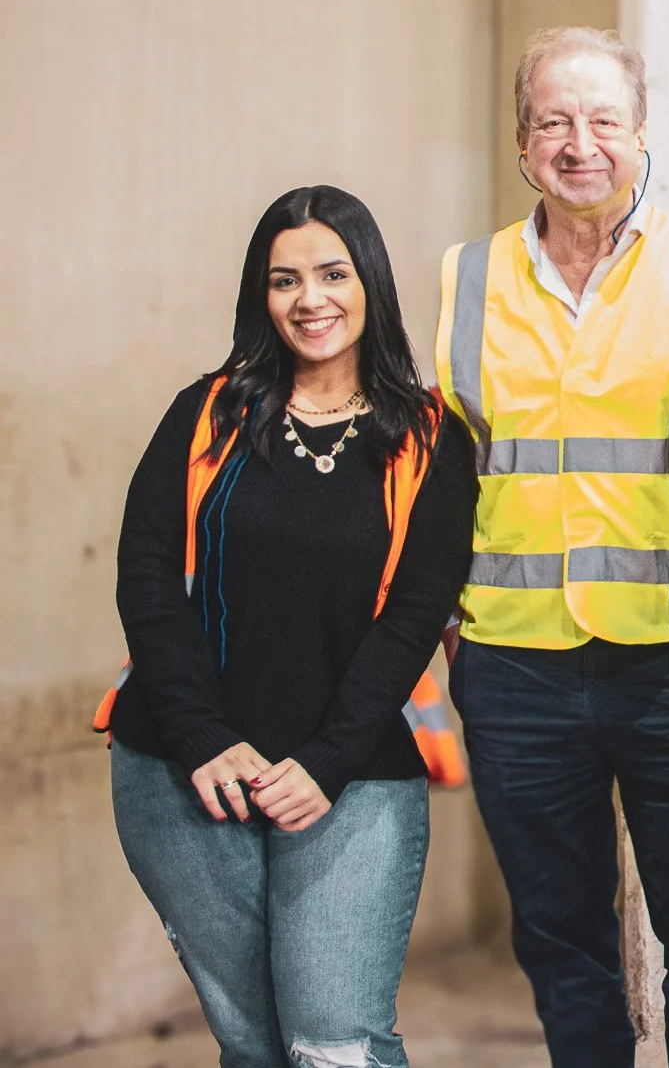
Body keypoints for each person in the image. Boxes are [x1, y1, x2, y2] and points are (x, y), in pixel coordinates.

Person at [435, 26, 669, 1066]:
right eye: (554, 122)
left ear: (641, 133)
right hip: (514, 668)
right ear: (522, 141)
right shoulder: (464, 278)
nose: (580, 144)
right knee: (562, 944)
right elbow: (439, 470)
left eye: (602, 120)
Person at [107, 185, 476, 1068]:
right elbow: (147, 577)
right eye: (284, 280)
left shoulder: (430, 435)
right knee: (255, 1045)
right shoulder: (208, 413)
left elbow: (414, 615)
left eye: (332, 273)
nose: (310, 299)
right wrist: (203, 739)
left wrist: (325, 759)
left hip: (352, 778)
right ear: (259, 294)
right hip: (184, 772)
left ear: (370, 282)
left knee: (337, 1045)